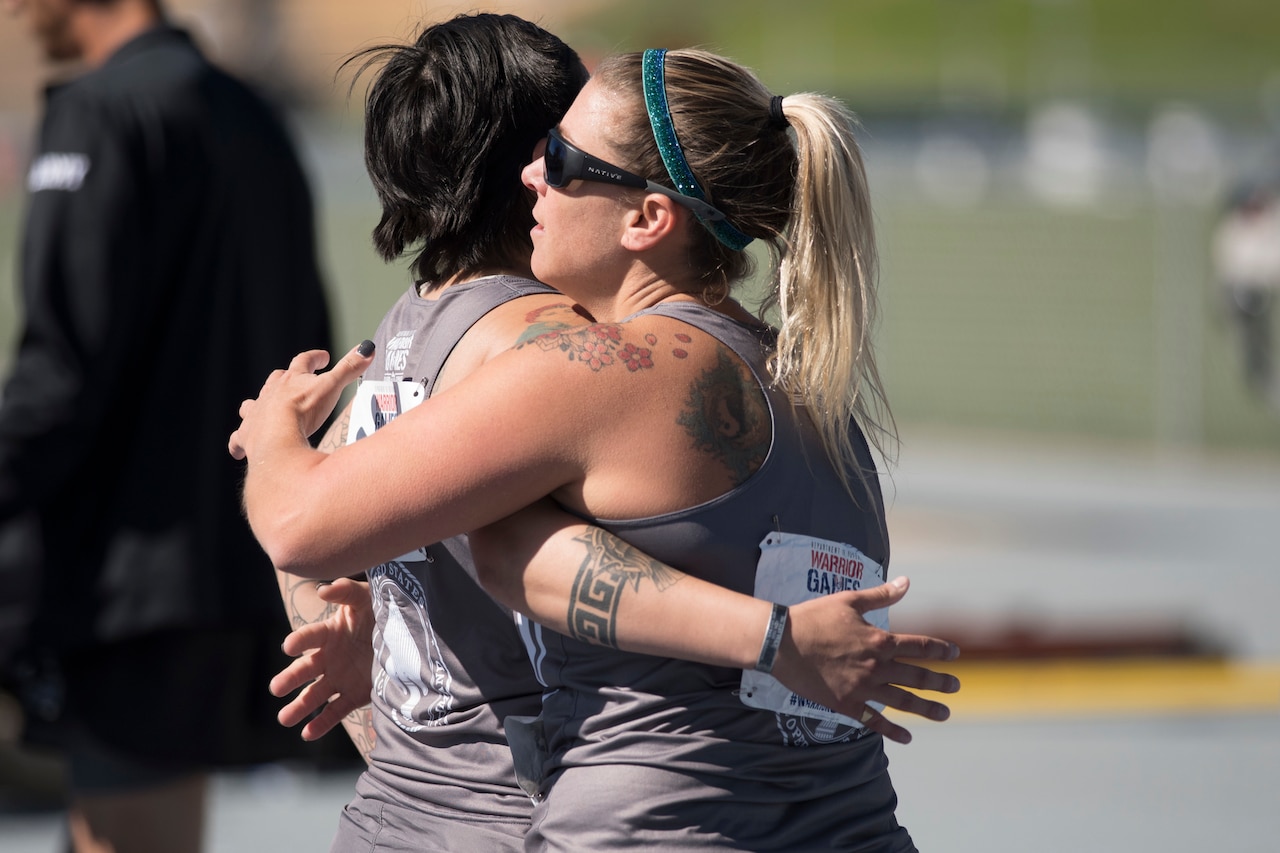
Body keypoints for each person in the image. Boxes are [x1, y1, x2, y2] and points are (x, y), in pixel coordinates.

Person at [233, 45, 951, 851]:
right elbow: (522, 554)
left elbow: (300, 522)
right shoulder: (811, 382)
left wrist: (271, 434)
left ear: (649, 218)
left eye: (563, 158)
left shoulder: (605, 373)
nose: (531, 176)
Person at [0, 1, 333, 851]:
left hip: (125, 577)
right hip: (240, 565)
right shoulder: (251, 112)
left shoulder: (96, 110)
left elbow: (61, 371)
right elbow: (313, 350)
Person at [1211, 182, 1280, 401]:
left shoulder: (1271, 224)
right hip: (1246, 294)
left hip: (1265, 292)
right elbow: (1232, 268)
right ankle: (1261, 378)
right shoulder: (1233, 231)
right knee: (1253, 341)